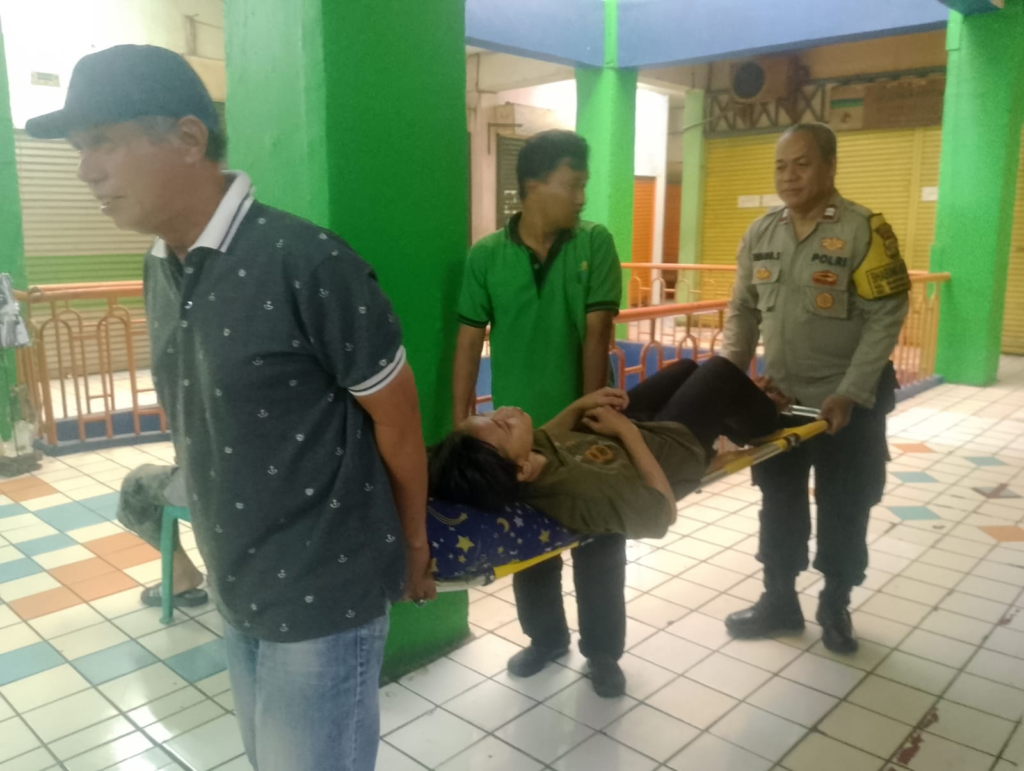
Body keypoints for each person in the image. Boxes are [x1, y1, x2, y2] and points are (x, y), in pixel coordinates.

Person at [26, 45, 435, 771]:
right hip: (235, 579)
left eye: (102, 141)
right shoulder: (161, 266)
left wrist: (414, 545)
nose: (86, 170)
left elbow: (398, 420)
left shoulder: (307, 261)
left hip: (324, 591)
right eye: (79, 148)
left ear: (188, 138)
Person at [720, 122, 909, 655]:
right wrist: (726, 383)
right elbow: (742, 311)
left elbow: (886, 314)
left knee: (846, 504)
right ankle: (779, 600)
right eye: (781, 166)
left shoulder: (865, 231)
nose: (789, 176)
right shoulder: (761, 233)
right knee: (778, 501)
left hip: (848, 403)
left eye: (801, 164)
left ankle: (836, 603)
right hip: (780, 402)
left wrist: (850, 391)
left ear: (829, 167)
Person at [452, 130, 625, 696]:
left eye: (583, 186)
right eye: (572, 184)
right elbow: (468, 340)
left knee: (600, 542)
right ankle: (546, 638)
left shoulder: (594, 244)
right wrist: (461, 424)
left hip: (585, 430)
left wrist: (590, 418)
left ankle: (603, 653)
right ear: (533, 186)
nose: (581, 197)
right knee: (529, 545)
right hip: (518, 435)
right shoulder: (487, 256)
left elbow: (597, 333)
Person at [430, 356, 787, 538]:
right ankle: (766, 417)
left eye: (489, 414)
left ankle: (738, 408)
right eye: (502, 424)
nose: (505, 411)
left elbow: (544, 436)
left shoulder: (524, 461)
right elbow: (662, 517)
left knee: (685, 367)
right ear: (521, 469)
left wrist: (581, 405)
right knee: (721, 372)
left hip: (627, 433)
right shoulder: (581, 492)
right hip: (674, 448)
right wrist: (625, 432)